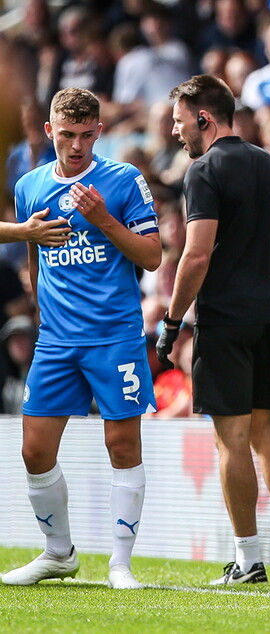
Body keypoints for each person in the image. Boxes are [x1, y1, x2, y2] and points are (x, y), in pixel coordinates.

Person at [159, 74, 270, 586]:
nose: (176, 131)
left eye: (181, 121)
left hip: (225, 322)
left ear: (204, 118)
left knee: (231, 440)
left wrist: (172, 320)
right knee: (265, 431)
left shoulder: (203, 170)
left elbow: (197, 252)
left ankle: (248, 558)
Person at [1, 88, 161, 590]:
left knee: (121, 442)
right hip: (56, 339)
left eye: (86, 135)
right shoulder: (29, 185)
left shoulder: (123, 180)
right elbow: (34, 249)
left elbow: (153, 257)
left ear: (99, 132)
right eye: (66, 135)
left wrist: (103, 220)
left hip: (114, 335)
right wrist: (38, 298)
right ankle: (58, 553)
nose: (76, 146)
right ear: (49, 131)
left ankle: (120, 563)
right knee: (34, 451)